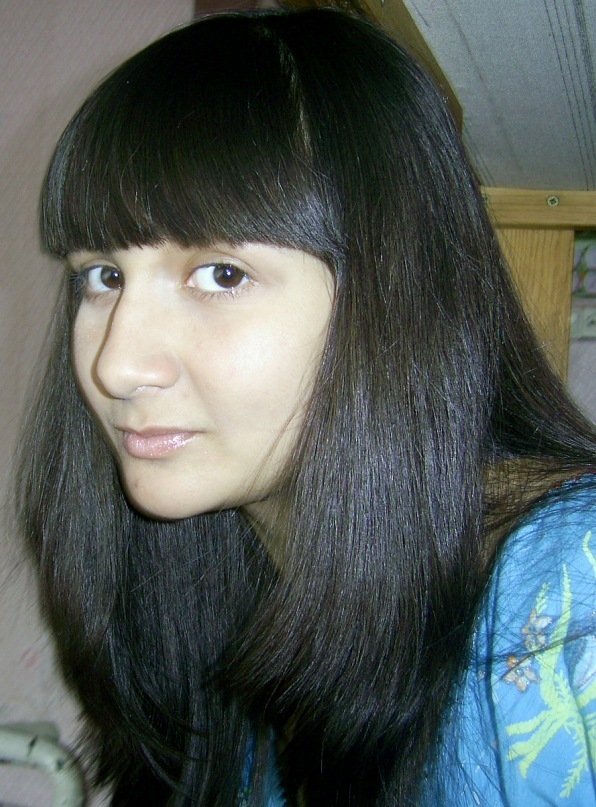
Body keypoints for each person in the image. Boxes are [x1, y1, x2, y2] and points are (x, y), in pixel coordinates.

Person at [14, 7, 596, 806]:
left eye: (221, 274)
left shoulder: (572, 598)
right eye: (103, 276)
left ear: (395, 298)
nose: (116, 364)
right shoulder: (219, 602)